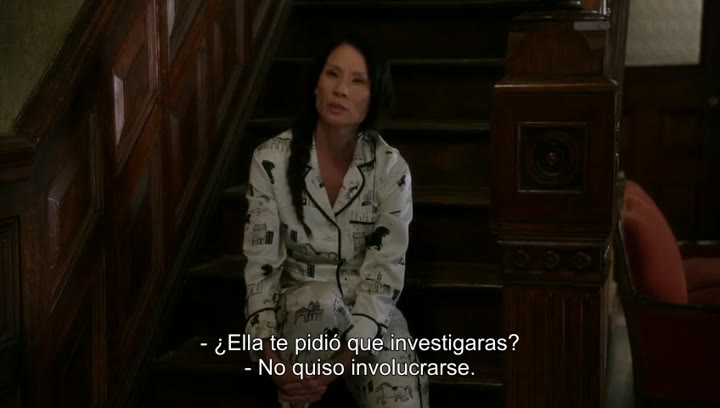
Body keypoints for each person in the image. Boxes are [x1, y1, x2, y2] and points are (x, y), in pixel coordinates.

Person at [243, 32, 429, 407]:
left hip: (369, 313)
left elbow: (383, 280)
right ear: (316, 85)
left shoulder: (391, 169)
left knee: (399, 391)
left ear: (373, 97)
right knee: (321, 301)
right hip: (300, 309)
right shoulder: (271, 159)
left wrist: (335, 368)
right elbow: (260, 272)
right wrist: (273, 363)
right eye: (332, 74)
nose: (341, 89)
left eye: (357, 80)